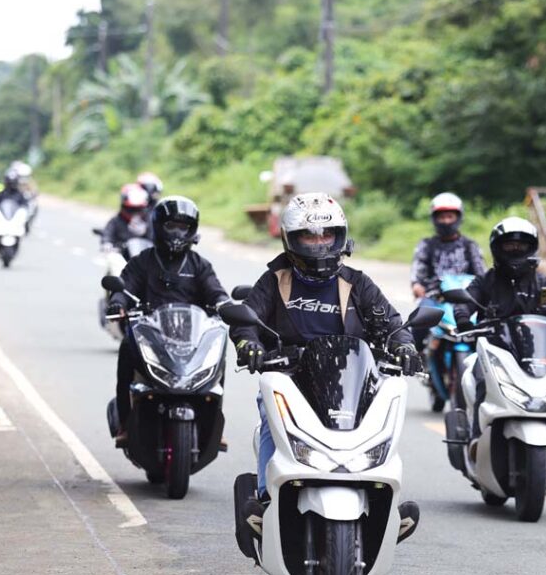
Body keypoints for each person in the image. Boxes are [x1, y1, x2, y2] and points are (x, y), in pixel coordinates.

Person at [230, 192, 422, 537]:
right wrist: (249, 345)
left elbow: (393, 324)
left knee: (385, 417)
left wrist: (404, 345)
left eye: (327, 235)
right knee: (270, 415)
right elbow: (247, 321)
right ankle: (265, 501)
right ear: (291, 240)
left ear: (340, 237)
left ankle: (386, 504)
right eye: (309, 236)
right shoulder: (274, 280)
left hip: (351, 380)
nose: (319, 243)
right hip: (289, 378)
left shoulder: (357, 282)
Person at [106, 196, 229, 443]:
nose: (177, 232)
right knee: (126, 350)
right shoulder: (142, 261)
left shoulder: (199, 265)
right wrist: (118, 302)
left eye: (183, 227)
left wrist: (224, 304)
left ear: (192, 229)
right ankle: (126, 423)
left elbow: (216, 291)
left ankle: (212, 427)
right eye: (171, 225)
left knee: (218, 357)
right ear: (158, 226)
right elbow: (125, 287)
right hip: (150, 333)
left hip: (191, 336)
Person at [452, 216, 546, 435]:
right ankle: (476, 435)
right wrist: (463, 319)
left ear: (531, 248)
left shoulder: (542, 284)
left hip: (538, 354)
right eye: (509, 245)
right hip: (496, 351)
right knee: (479, 379)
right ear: (497, 248)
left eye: (521, 245)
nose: (515, 250)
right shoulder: (486, 281)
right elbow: (465, 302)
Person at [409, 192, 486, 351]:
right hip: (436, 297)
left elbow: (481, 273)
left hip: (466, 297)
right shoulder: (427, 245)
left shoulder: (470, 245)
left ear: (458, 217)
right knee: (418, 324)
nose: (446, 221)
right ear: (434, 219)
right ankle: (415, 356)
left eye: (450, 216)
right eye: (442, 217)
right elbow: (418, 269)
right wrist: (417, 285)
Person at [101, 184, 153, 255]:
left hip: (143, 257)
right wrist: (107, 243)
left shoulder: (149, 221)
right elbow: (107, 234)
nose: (134, 213)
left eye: (138, 209)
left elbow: (156, 238)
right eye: (131, 209)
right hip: (121, 257)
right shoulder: (116, 221)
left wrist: (145, 232)